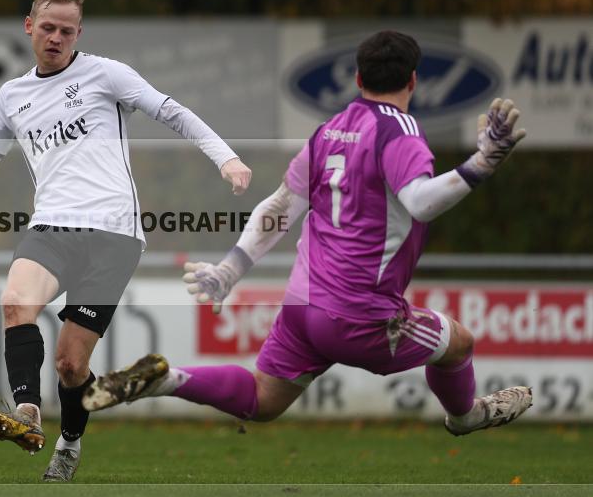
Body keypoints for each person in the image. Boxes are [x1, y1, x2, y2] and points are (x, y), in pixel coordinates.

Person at [84, 30, 533, 438]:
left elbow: (280, 206)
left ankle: (167, 379)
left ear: (357, 78)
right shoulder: (400, 132)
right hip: (362, 314)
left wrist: (229, 269)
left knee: (263, 400)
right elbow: (420, 202)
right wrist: (482, 164)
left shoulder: (328, 132)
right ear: (413, 81)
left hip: (304, 306)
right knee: (459, 345)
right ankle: (465, 417)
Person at [0, 0, 251, 481]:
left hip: (114, 236)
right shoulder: (12, 95)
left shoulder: (105, 74)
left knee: (69, 364)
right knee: (16, 301)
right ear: (29, 27)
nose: (56, 37)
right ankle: (27, 415)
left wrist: (226, 158)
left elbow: (171, 111)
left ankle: (70, 442)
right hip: (51, 227)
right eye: (47, 28)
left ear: (78, 33)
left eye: (66, 30)